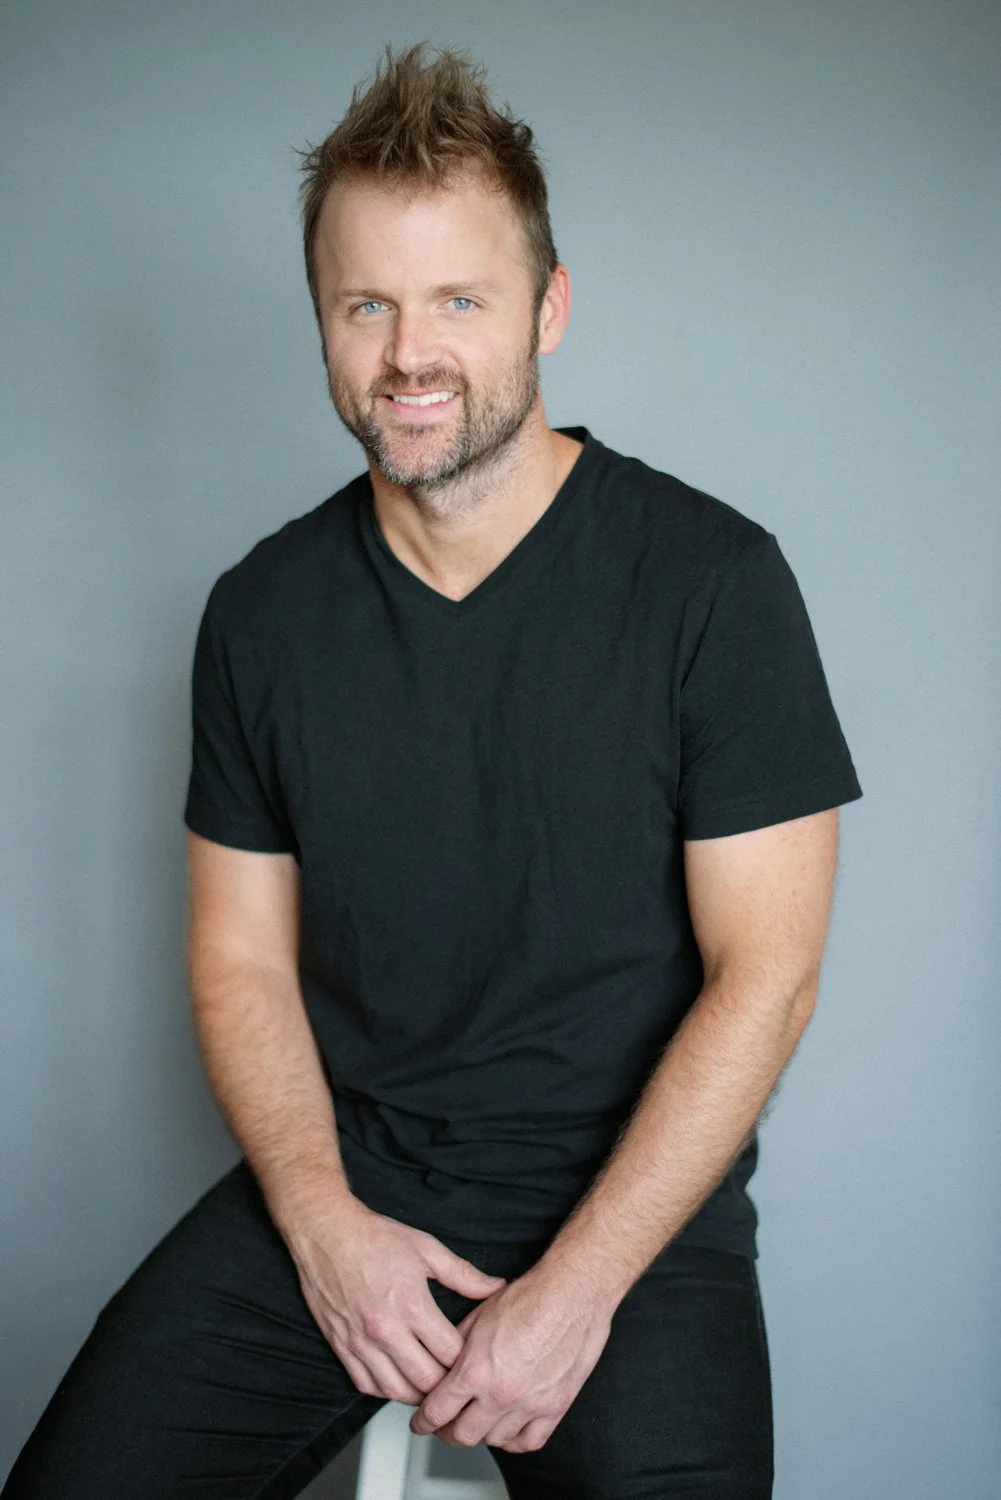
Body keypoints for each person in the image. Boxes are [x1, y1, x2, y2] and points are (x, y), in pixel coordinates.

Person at [3, 42, 862, 1500]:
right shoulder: (261, 614)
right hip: (354, 1197)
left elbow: (765, 974)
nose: (411, 353)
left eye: (459, 298)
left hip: (636, 1224)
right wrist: (322, 1224)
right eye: (367, 305)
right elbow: (240, 964)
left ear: (549, 306)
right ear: (325, 326)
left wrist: (579, 1286)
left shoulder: (716, 582)